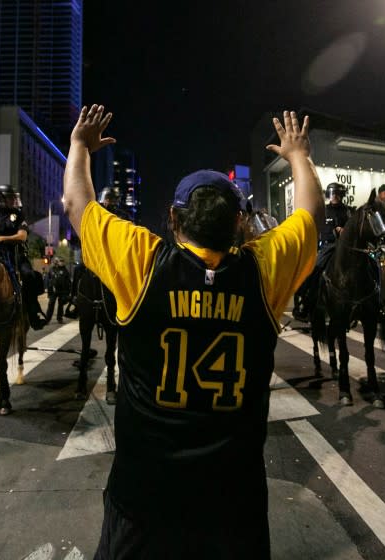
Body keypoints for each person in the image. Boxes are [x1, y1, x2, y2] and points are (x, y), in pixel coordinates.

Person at [63, 104, 323, 559]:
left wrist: (79, 145)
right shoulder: (263, 269)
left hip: (144, 497)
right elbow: (311, 219)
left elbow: (76, 205)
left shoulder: (143, 261)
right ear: (240, 222)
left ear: (174, 218)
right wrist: (299, 155)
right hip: (232, 500)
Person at [0, 184, 48, 329]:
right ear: (1, 198)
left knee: (29, 275)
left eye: (14, 197)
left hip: (15, 255)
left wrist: (0, 239)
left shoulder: (18, 215)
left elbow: (22, 236)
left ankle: (33, 313)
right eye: (10, 197)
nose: (14, 200)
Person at [292, 181, 350, 320]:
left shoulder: (347, 211)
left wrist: (344, 230)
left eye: (337, 193)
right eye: (332, 193)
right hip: (326, 246)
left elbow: (352, 230)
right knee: (313, 270)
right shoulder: (323, 210)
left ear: (341, 195)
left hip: (343, 246)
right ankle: (304, 302)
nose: (334, 196)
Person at [44, 256, 72, 324]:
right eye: (60, 261)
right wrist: (47, 288)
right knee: (51, 304)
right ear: (56, 262)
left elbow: (68, 281)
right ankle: (47, 319)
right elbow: (48, 279)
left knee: (61, 305)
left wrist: (68, 291)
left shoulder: (65, 270)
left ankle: (59, 318)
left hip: (62, 290)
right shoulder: (52, 269)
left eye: (63, 261)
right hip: (53, 291)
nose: (62, 262)